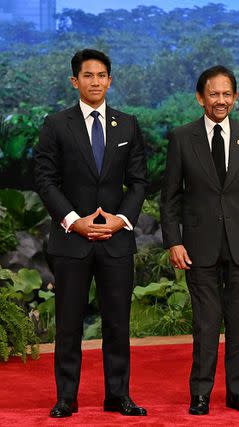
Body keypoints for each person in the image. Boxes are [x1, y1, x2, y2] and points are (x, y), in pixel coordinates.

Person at [34, 49, 148, 418]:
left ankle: (118, 395)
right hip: (71, 240)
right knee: (68, 324)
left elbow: (139, 182)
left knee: (118, 323)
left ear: (110, 80)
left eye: (102, 75)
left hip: (116, 240)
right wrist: (72, 219)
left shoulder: (127, 124)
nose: (95, 81)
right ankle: (66, 397)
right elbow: (45, 179)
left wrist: (120, 219)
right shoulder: (56, 124)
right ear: (75, 81)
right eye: (88, 76)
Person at [160, 65, 239, 415]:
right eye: (214, 94)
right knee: (206, 323)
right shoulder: (182, 137)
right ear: (200, 98)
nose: (221, 100)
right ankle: (200, 394)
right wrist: (173, 242)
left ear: (235, 97)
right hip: (198, 246)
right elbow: (170, 198)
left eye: (227, 94)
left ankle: (238, 393)